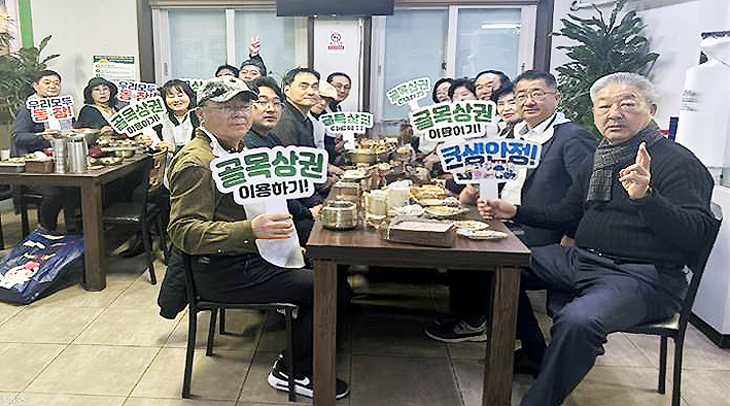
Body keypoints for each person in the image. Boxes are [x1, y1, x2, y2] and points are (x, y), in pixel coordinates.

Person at [479, 72, 715, 406]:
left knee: (578, 321)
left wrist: (646, 197)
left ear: (651, 109)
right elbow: (566, 212)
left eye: (627, 104)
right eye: (604, 106)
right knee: (493, 265)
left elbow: (696, 235)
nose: (614, 113)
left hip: (643, 276)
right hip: (583, 260)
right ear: (594, 114)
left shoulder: (678, 162)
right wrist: (514, 210)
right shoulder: (600, 156)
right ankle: (537, 353)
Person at [167, 76, 350, 399]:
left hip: (254, 255)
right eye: (226, 107)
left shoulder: (238, 149)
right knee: (330, 288)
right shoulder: (198, 162)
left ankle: (306, 342)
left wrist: (284, 238)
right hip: (223, 271)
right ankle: (291, 370)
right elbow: (183, 231)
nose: (239, 113)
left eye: (243, 105)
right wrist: (250, 230)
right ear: (201, 114)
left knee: (330, 269)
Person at [426, 71, 596, 359]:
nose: (528, 101)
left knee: (481, 260)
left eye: (537, 93)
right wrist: (483, 192)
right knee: (457, 243)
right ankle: (474, 318)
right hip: (508, 220)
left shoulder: (572, 137)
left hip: (544, 232)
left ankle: (528, 347)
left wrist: (572, 236)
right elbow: (497, 174)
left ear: (557, 97)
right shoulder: (517, 133)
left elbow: (588, 193)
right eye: (521, 96)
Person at [11, 70, 79, 233]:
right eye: (47, 82)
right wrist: (42, 136)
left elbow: (73, 129)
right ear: (36, 86)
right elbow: (18, 136)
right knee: (54, 193)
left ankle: (74, 230)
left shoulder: (63, 108)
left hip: (62, 162)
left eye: (56, 83)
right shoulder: (28, 109)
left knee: (76, 187)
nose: (52, 86)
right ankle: (45, 231)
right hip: (36, 168)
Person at [309, 80, 338, 150]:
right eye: (320, 98)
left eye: (327, 100)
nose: (323, 103)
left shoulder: (324, 118)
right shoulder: (299, 116)